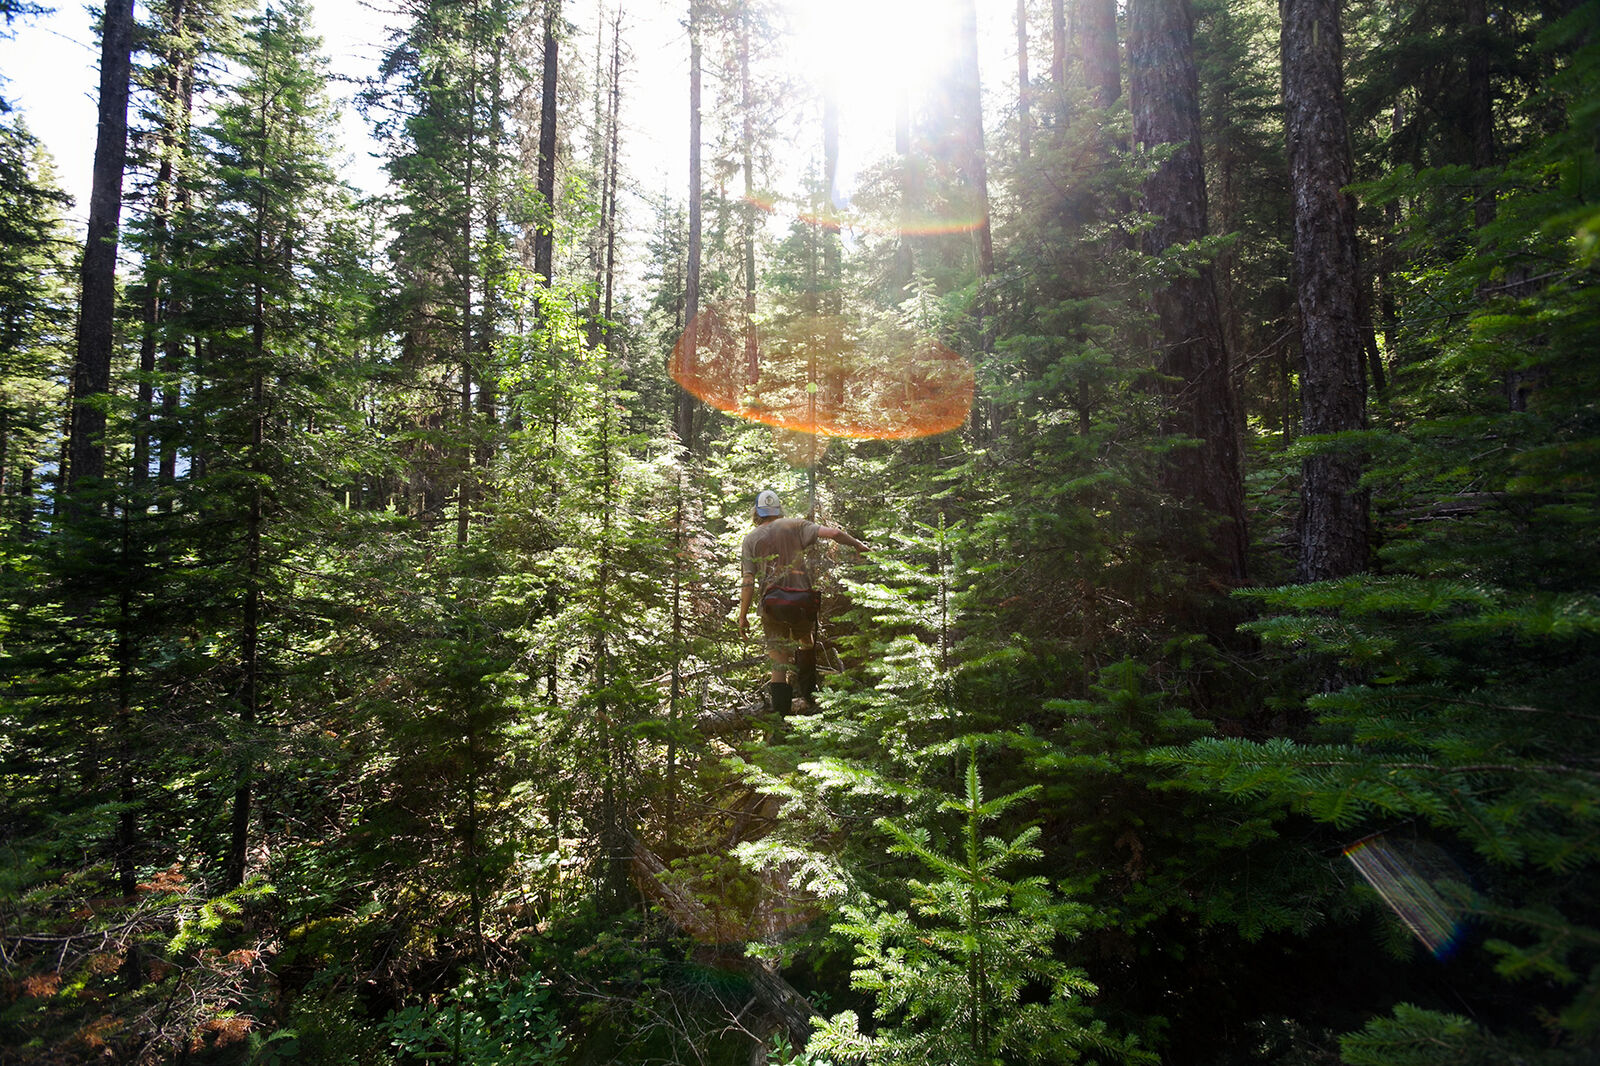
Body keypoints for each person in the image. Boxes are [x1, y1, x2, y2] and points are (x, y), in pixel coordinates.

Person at [738, 489, 869, 716]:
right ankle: (810, 699)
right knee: (806, 642)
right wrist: (858, 545)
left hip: (772, 604)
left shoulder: (750, 539)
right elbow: (835, 534)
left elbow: (748, 580)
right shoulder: (796, 525)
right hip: (802, 601)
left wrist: (743, 615)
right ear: (778, 510)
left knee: (779, 662)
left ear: (757, 513)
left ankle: (781, 722)